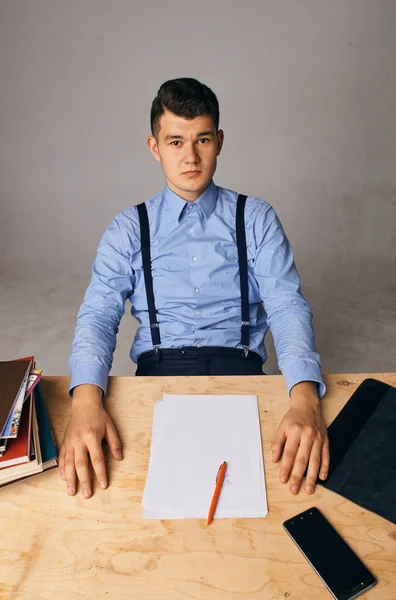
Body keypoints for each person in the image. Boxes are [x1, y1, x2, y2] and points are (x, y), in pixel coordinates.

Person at [60, 77, 329, 500]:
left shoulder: (255, 218)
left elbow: (286, 306)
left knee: (269, 495)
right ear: (154, 147)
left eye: (202, 139)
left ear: (219, 141)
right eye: (175, 142)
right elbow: (98, 314)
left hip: (241, 372)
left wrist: (305, 399)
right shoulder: (130, 228)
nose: (190, 156)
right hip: (157, 376)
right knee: (134, 499)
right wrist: (86, 403)